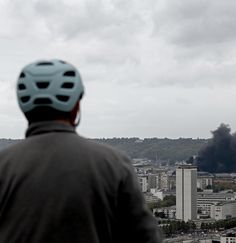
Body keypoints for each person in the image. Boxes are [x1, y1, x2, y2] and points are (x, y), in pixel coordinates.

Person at [0, 59, 162, 243]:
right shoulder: (114, 164)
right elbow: (145, 237)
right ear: (76, 105)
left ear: (23, 106)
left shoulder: (3, 166)